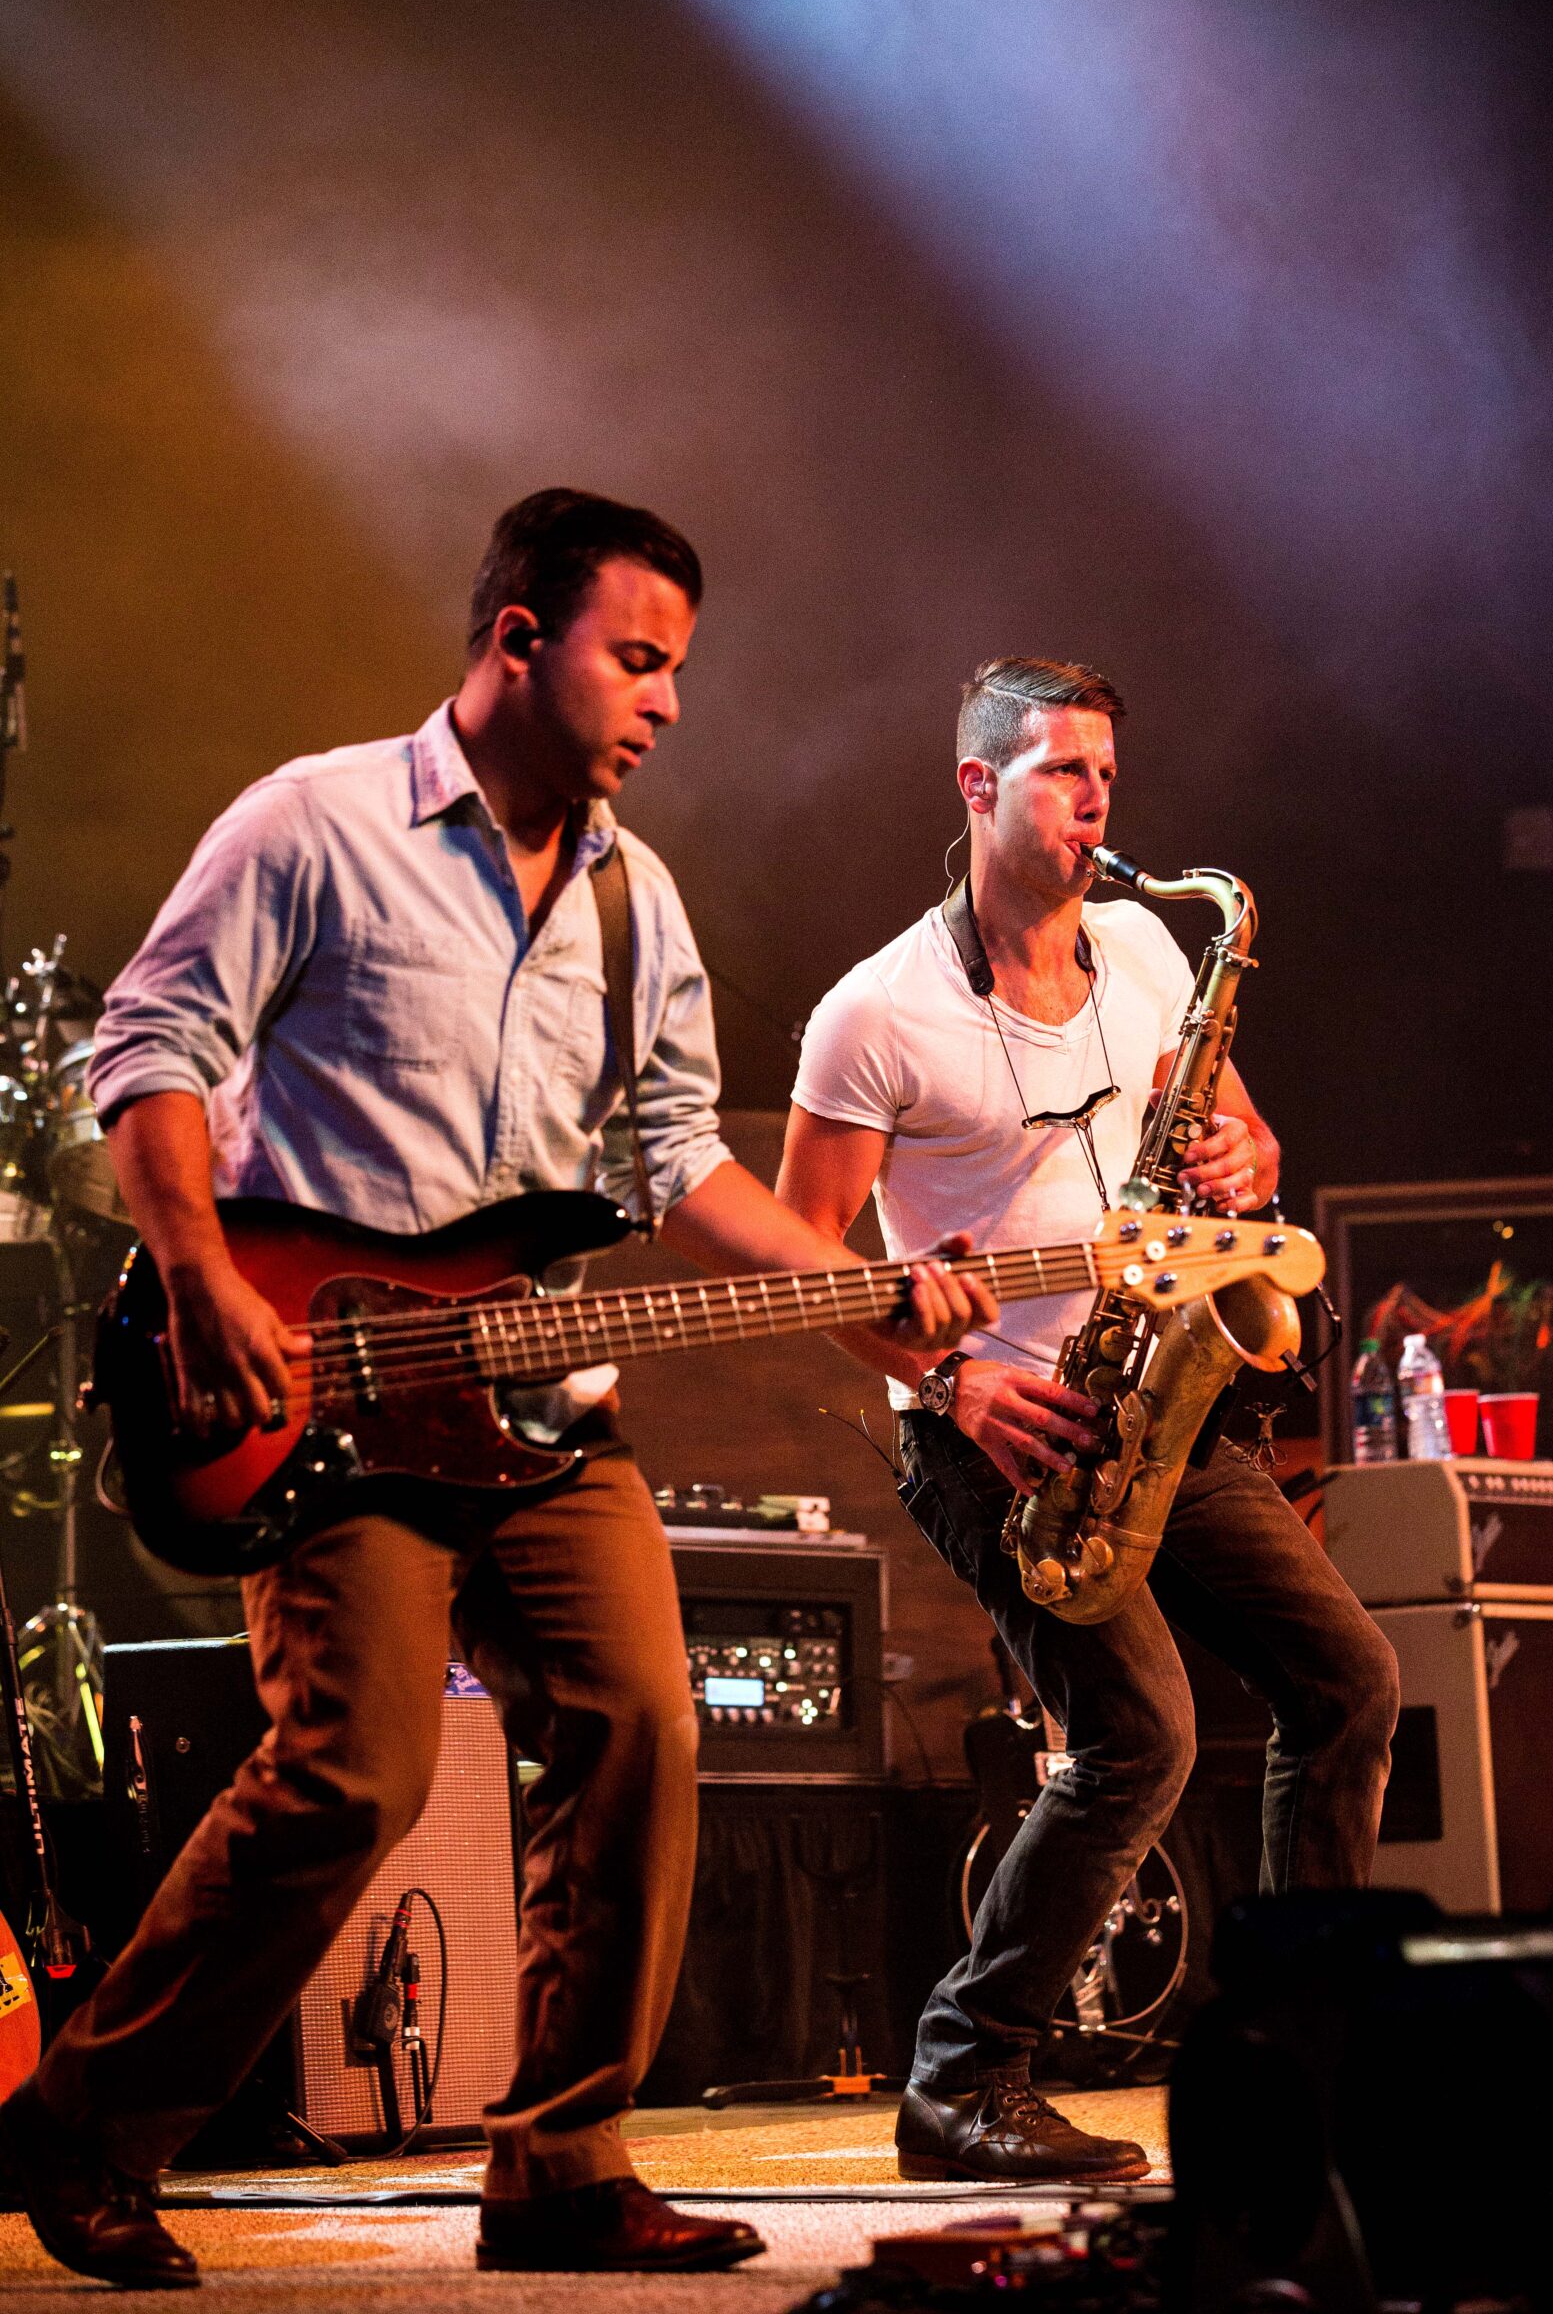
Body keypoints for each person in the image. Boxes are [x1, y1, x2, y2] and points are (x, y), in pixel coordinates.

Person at [0, 489, 995, 2288]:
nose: (668, 702)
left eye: (679, 670)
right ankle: (87, 2126)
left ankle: (562, 2167)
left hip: (537, 1402)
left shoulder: (637, 899)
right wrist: (202, 1275)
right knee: (355, 1772)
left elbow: (677, 1155)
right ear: (519, 639)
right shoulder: (315, 823)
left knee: (645, 1725)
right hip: (322, 1390)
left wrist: (858, 1291)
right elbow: (145, 1048)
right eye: (640, 658)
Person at [778, 655, 1400, 2186]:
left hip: (1160, 1404)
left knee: (1350, 1683)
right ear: (978, 785)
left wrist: (1248, 1163)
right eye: (1064, 771)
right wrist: (958, 1382)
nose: (1097, 803)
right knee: (1143, 1734)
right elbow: (800, 1266)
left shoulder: (1144, 949)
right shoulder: (876, 1011)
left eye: (1107, 774)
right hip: (1001, 1431)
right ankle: (961, 2081)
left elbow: (1241, 1132)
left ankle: (1303, 2056)